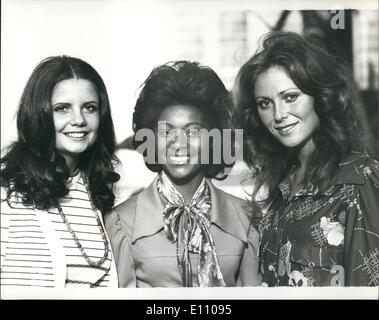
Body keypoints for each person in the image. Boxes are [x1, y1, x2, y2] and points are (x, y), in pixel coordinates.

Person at [234, 31, 379, 287]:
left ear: (319, 96)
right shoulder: (283, 184)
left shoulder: (360, 180)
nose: (279, 115)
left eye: (290, 97)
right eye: (265, 103)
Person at [105, 60, 261, 287]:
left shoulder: (246, 218)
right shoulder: (122, 223)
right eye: (166, 132)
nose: (179, 144)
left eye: (193, 131)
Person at [1, 56, 120, 288]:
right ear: (38, 114)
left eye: (90, 108)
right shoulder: (6, 193)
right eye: (62, 108)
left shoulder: (101, 194)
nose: (79, 120)